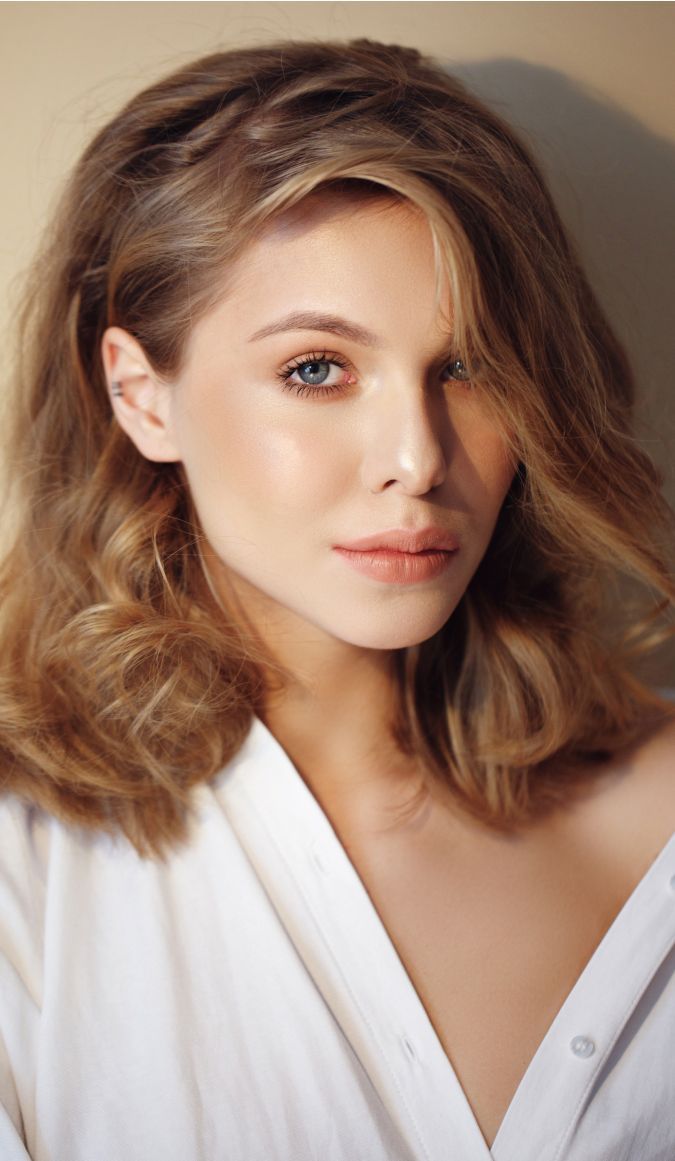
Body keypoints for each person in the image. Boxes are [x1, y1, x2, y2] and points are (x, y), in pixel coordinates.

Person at [0, 36, 673, 1161]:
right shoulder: (32, 883)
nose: (416, 457)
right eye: (317, 368)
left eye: (471, 367)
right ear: (140, 395)